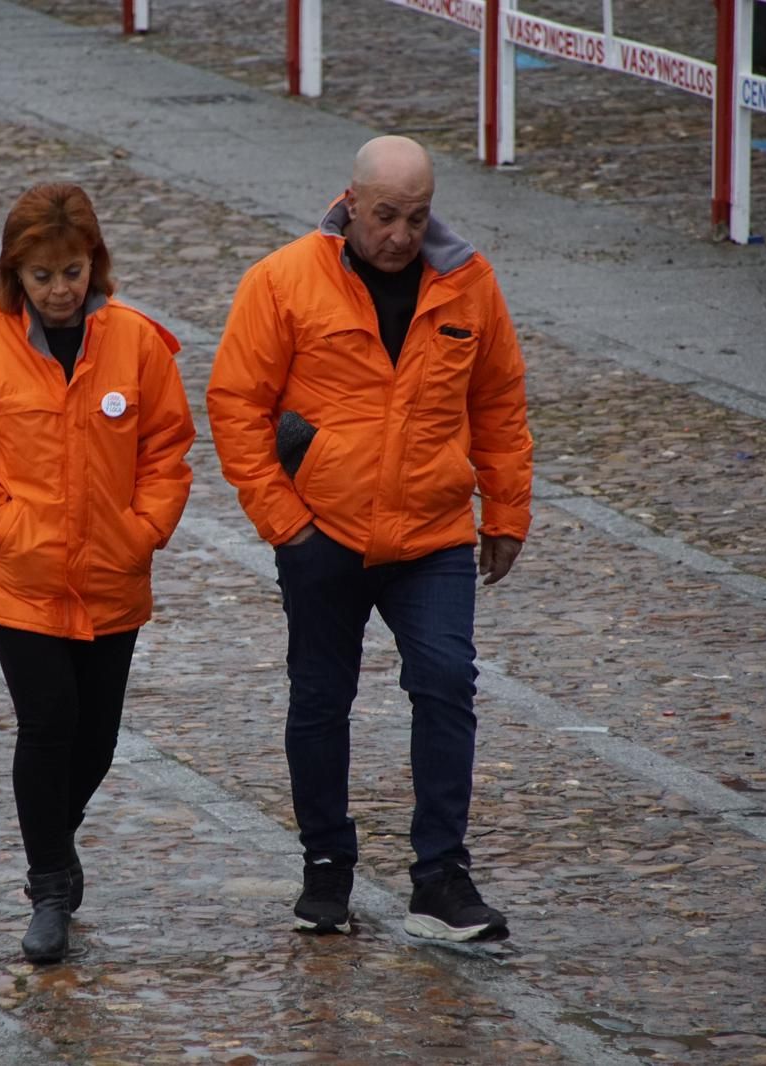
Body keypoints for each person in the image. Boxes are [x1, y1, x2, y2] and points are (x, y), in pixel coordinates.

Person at [206, 136, 532, 944]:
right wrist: (288, 526)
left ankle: (441, 878)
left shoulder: (468, 284)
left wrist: (508, 514)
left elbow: (498, 403)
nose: (400, 234)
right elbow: (235, 407)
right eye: (385, 215)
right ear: (349, 202)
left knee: (447, 680)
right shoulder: (281, 283)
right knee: (321, 698)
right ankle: (326, 869)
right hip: (324, 533)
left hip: (433, 531)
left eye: (416, 217)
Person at [0, 183, 195, 964]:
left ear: (93, 264)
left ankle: (53, 844)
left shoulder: (137, 342)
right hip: (19, 579)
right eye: (42, 276)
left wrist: (144, 530)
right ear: (16, 277)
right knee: (49, 723)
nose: (60, 290)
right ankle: (49, 886)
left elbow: (168, 450)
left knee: (97, 739)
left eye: (71, 271)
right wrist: (2, 524)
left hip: (113, 577)